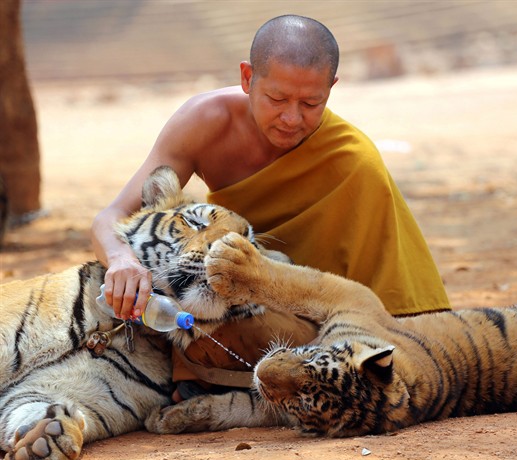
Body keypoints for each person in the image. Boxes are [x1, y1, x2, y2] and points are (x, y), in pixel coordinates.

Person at [91, 14, 450, 401]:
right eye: (277, 99)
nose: (292, 118)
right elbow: (111, 217)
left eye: (312, 103)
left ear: (332, 88)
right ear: (247, 78)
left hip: (320, 316)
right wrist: (120, 259)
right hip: (237, 290)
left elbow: (390, 298)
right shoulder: (204, 123)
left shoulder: (354, 161)